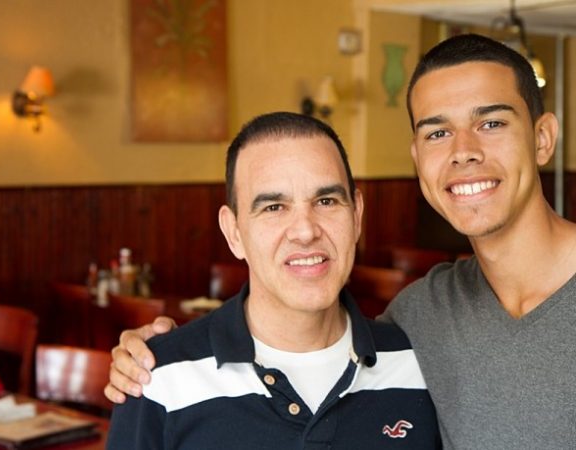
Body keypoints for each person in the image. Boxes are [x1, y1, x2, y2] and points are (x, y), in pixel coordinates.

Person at [106, 33, 576, 449]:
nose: (464, 151)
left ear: (543, 138)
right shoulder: (420, 319)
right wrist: (151, 357)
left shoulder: (409, 341)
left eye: (491, 123)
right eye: (438, 132)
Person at [106, 112, 441, 449]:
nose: (306, 231)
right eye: (274, 207)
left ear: (356, 216)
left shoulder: (421, 365)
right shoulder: (157, 377)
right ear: (234, 232)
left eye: (326, 201)